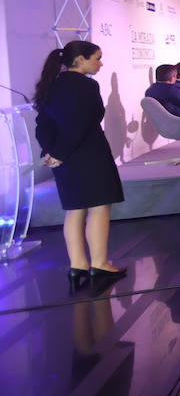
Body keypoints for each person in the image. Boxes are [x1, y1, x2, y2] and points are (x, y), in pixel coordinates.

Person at [34, 40, 127, 293]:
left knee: (75, 210)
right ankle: (99, 263)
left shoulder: (51, 84)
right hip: (88, 154)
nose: (100, 63)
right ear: (81, 60)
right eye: (97, 58)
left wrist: (52, 152)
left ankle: (77, 265)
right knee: (98, 208)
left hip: (63, 157)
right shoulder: (87, 85)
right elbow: (83, 123)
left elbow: (42, 123)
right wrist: (61, 151)